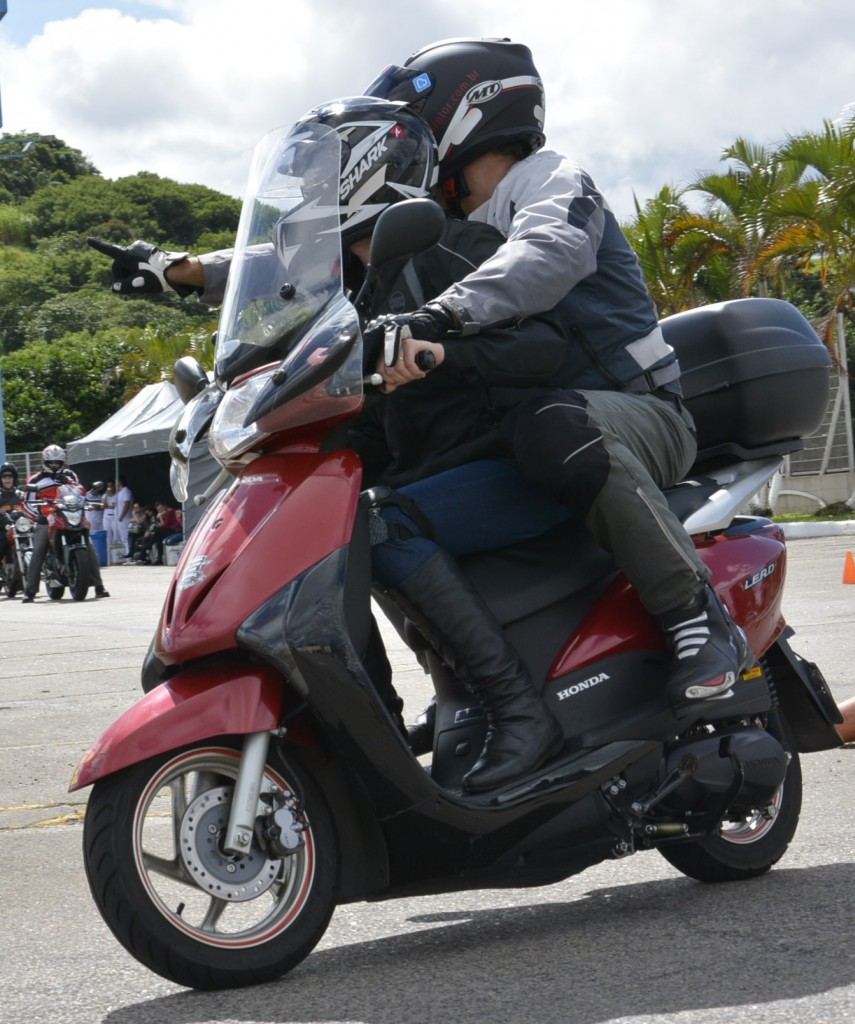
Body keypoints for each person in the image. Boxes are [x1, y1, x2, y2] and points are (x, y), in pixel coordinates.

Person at [89, 97, 571, 793]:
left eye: (318, 176)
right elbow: (281, 313)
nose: (303, 193)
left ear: (368, 170)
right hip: (424, 464)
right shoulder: (343, 281)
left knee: (374, 524)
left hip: (500, 459)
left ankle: (517, 710)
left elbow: (544, 347)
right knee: (329, 531)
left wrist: (439, 348)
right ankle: (369, 714)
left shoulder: (451, 249)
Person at [361, 38, 750, 711]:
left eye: (412, 125)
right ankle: (473, 689)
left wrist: (440, 317)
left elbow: (548, 252)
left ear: (467, 108)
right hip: (528, 433)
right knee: (379, 514)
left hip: (637, 415)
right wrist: (195, 272)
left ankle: (698, 623)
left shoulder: (547, 178)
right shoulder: (448, 223)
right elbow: (344, 241)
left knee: (551, 423)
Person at [21, 445, 110, 602]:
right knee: (39, 549)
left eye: (58, 462)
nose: (55, 465)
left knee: (89, 547)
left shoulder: (70, 475)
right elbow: (26, 503)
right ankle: (30, 591)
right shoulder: (35, 479)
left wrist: (68, 482)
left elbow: (81, 493)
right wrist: (38, 516)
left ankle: (99, 586)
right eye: (51, 462)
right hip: (47, 518)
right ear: (44, 462)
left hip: (70, 514)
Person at [0, 463, 23, 569]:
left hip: (22, 529)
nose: (7, 480)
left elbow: (31, 509)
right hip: (4, 530)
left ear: (14, 478)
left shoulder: (22, 495)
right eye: (4, 477)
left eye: (10, 477)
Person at [115, 479, 133, 553]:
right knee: (122, 538)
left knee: (125, 537)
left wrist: (122, 516)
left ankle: (128, 556)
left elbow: (127, 504)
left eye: (116, 482)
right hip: (119, 518)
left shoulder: (126, 491)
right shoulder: (120, 492)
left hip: (124, 518)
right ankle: (126, 554)